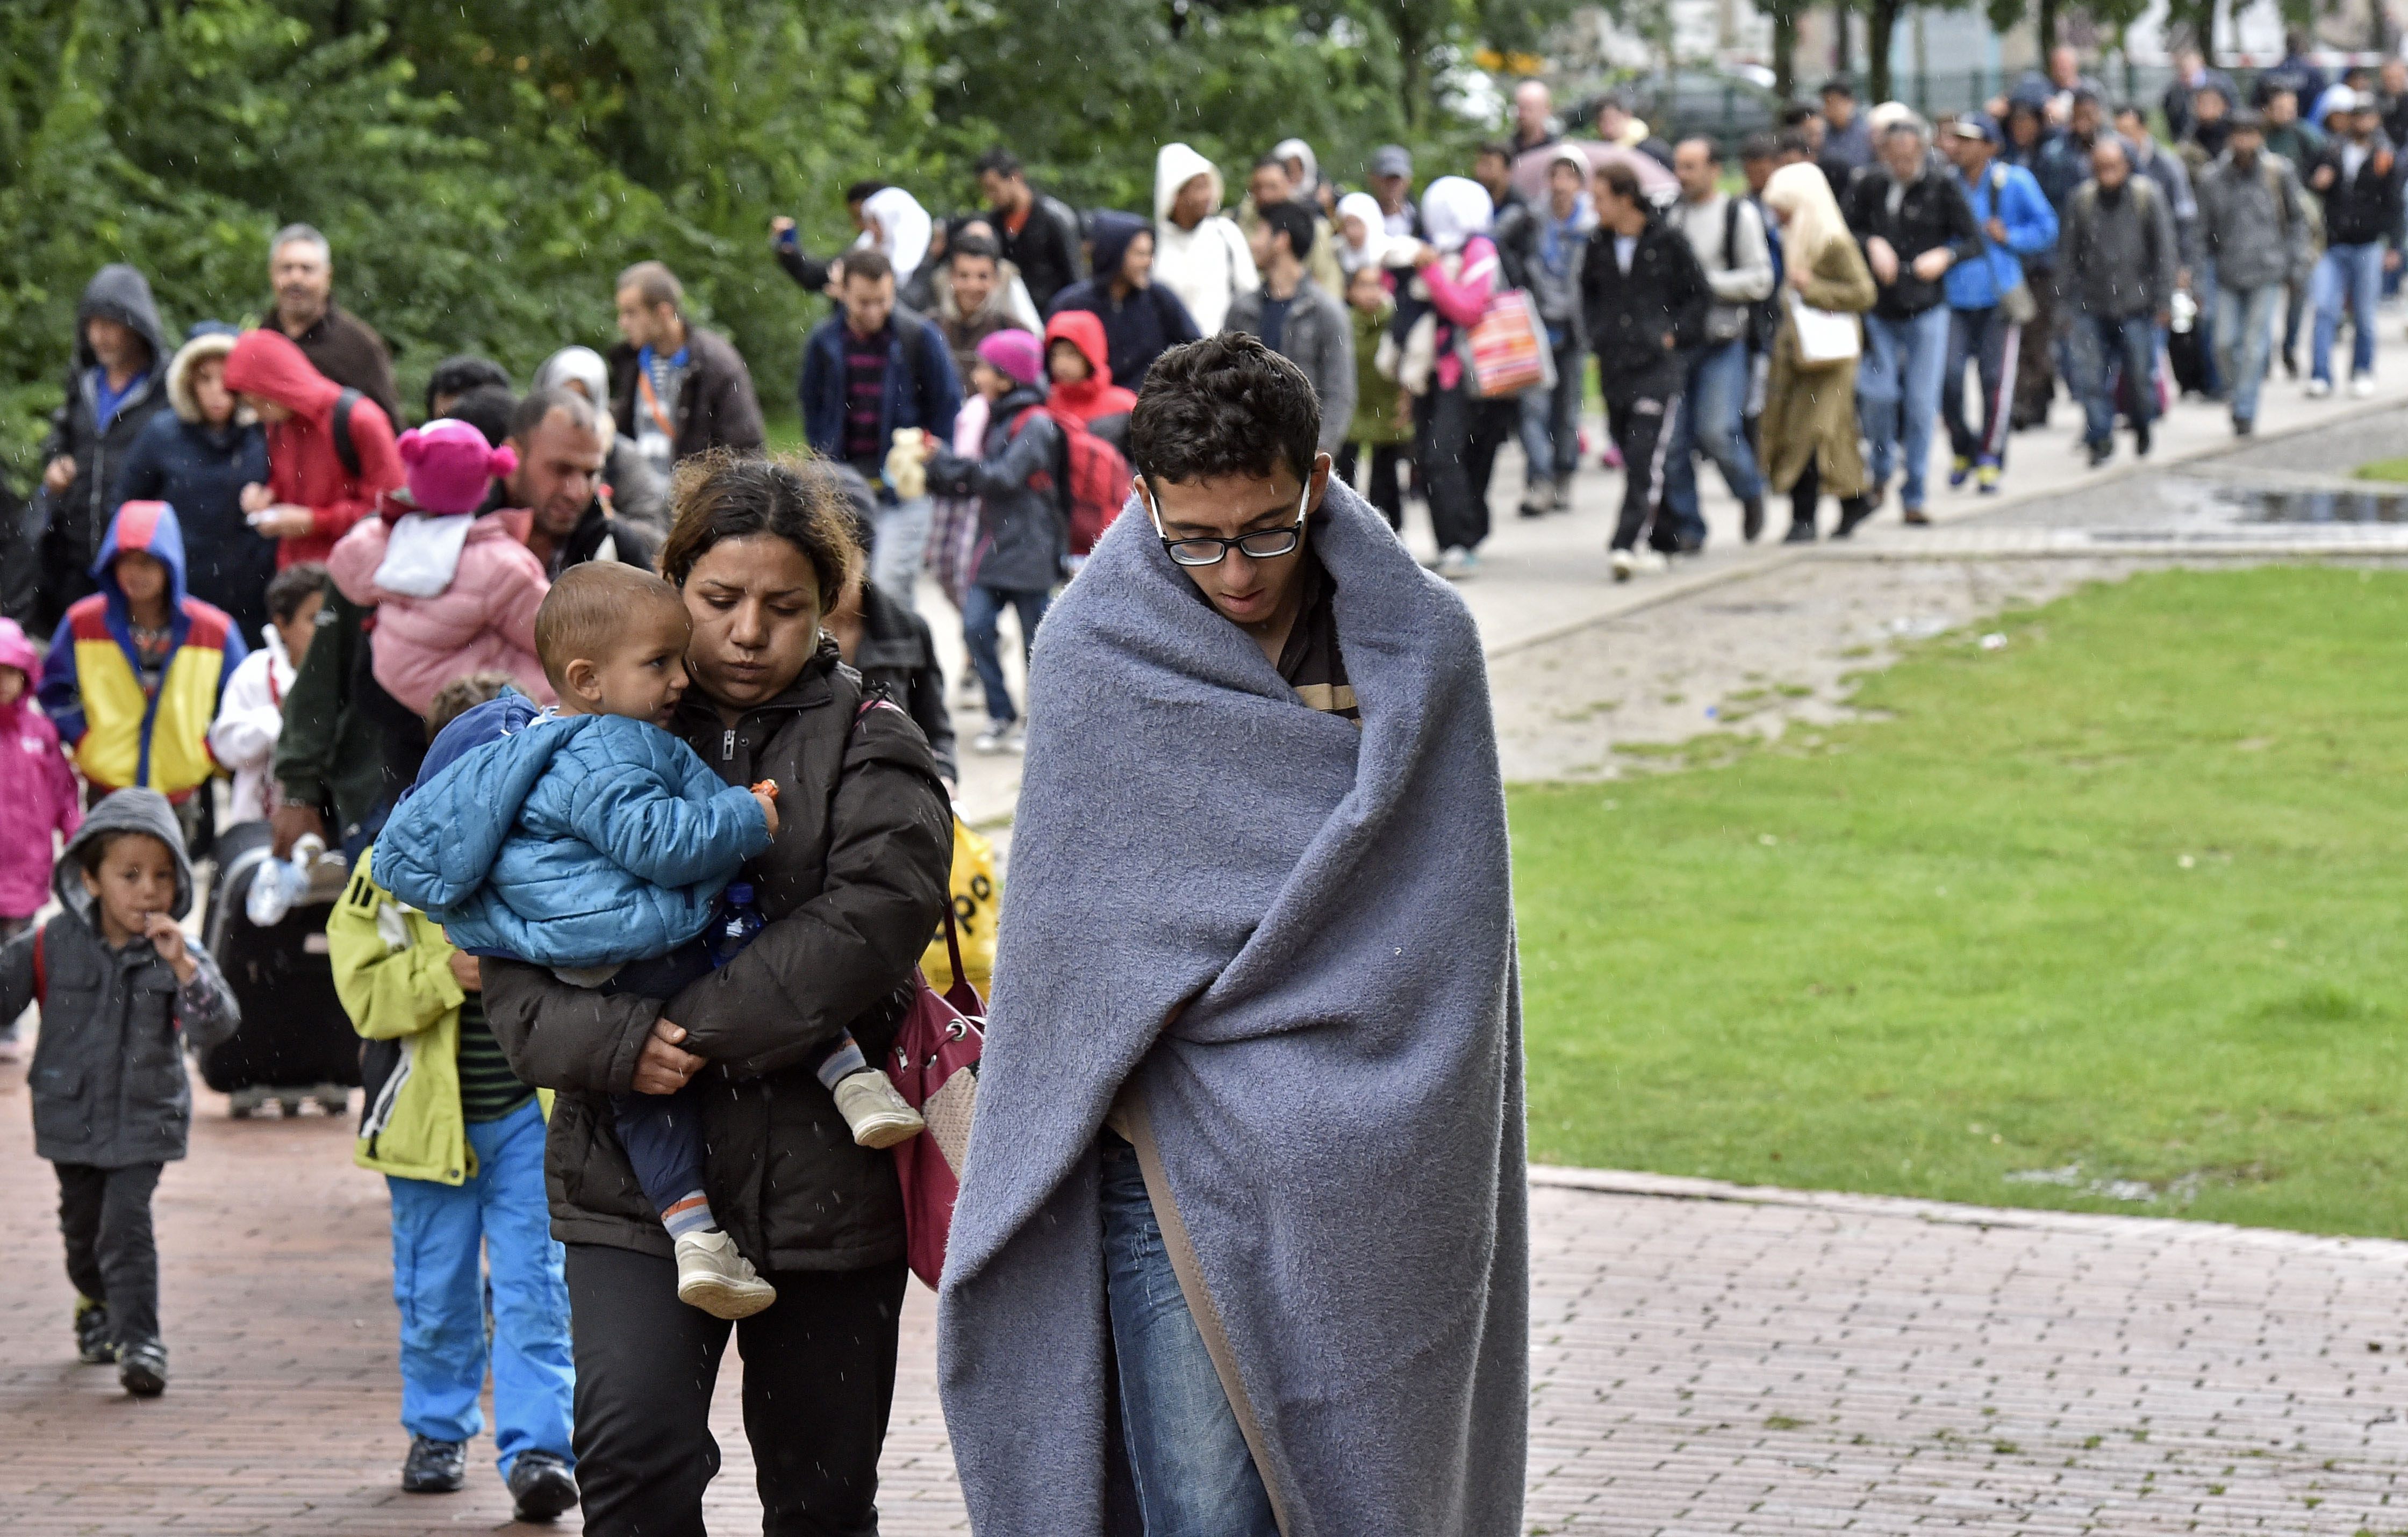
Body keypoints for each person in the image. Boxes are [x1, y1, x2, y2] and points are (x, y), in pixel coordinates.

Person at [938, 329, 1526, 1537]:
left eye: (1264, 528)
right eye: (1193, 536)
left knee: (1378, 1494)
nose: (1237, 571)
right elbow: (1077, 947)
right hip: (1167, 1157)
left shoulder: (1419, 648)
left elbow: (1445, 929)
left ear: (1316, 479)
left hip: (1376, 1165)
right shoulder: (1095, 653)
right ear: (1144, 497)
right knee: (1204, 1513)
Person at [474, 454, 951, 1537]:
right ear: (671, 583)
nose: (746, 631)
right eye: (718, 600)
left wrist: (681, 1028)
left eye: (782, 607)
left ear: (827, 605)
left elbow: (870, 922)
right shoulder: (580, 740)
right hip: (632, 1189)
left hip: (828, 1193)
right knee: (633, 1467)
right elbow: (512, 945)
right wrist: (612, 1041)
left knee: (821, 1497)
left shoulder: (873, 737)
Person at [327, 673, 578, 1521]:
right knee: (433, 1290)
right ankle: (438, 1427)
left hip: (526, 1120)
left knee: (537, 1289)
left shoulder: (552, 856)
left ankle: (542, 1448)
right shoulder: (384, 870)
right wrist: (447, 971)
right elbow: (365, 995)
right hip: (425, 1126)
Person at [0, 788, 240, 1398]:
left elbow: (219, 1025)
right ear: (92, 878)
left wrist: (186, 968)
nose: (148, 890)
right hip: (69, 1115)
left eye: (162, 875)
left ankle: (141, 1341)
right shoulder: (50, 944)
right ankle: (94, 1299)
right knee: (83, 1231)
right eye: (129, 875)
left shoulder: (179, 952)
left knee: (124, 1225)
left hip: (144, 1119)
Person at [326, 419, 551, 717]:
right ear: (488, 478)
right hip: (487, 713)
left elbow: (345, 562)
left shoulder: (388, 543)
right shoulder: (500, 565)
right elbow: (557, 639)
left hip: (403, 701)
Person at [39, 501, 246, 825]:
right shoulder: (83, 621)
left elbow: (240, 700)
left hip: (180, 790)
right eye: (126, 562)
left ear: (170, 566)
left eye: (148, 562)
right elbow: (54, 690)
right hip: (105, 788)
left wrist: (206, 750)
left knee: (172, 874)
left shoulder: (214, 630)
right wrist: (84, 739)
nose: (136, 574)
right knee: (109, 872)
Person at [923, 331, 1064, 753]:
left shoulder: (1035, 424)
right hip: (996, 546)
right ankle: (1000, 713)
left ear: (1007, 377)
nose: (978, 375)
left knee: (1034, 644)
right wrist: (940, 466)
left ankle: (1035, 721)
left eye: (985, 367)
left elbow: (1002, 478)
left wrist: (946, 462)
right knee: (975, 626)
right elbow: (982, 476)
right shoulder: (997, 416)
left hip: (1032, 549)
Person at [799, 249, 963, 604]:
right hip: (843, 483)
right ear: (842, 292)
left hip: (904, 487)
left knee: (889, 588)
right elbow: (811, 404)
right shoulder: (823, 342)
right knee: (841, 592)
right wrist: (822, 452)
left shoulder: (920, 337)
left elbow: (947, 404)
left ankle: (902, 658)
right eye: (863, 303)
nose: (873, 311)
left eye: (882, 301)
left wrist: (935, 453)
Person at [1843, 116, 1981, 525]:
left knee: (1922, 404)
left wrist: (1945, 256)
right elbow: (1846, 229)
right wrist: (1872, 243)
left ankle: (1915, 491)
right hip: (1880, 307)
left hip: (1927, 307)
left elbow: (1973, 240)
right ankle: (1882, 470)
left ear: (1922, 152)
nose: (1902, 164)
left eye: (1909, 156)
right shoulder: (1870, 185)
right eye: (1894, 156)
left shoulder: (1941, 186)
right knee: (1878, 393)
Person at [1583, 160, 1712, 579]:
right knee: (1631, 450)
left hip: (1657, 367)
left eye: (1600, 198)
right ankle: (1669, 534)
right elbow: (1589, 297)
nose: (1594, 206)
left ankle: (1626, 542)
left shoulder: (1667, 241)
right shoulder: (1597, 246)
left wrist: (1674, 333)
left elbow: (1699, 295)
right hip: (1616, 365)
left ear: (1625, 199)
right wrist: (1598, 335)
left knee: (1644, 455)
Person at [110, 325, 276, 640]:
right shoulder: (162, 434)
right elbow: (125, 509)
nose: (217, 390)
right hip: (180, 594)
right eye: (205, 378)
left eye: (226, 378)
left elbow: (293, 492)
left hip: (251, 596)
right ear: (188, 382)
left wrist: (272, 497)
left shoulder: (263, 434)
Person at [34, 265, 172, 634]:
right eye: (93, 325)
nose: (100, 336)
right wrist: (55, 461)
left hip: (139, 557)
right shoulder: (84, 383)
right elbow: (60, 434)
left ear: (137, 326)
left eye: (111, 325)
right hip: (74, 552)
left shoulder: (167, 391)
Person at [1759, 163, 1879, 541]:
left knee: (1813, 432)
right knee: (1820, 431)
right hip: (1800, 351)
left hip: (1831, 354)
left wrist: (1813, 288)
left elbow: (1863, 294)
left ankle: (1804, 515)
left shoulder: (1833, 242)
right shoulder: (1795, 237)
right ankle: (1854, 498)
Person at [220, 326, 406, 569]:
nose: (257, 412)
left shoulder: (360, 419)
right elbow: (286, 479)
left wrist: (315, 522)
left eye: (260, 401)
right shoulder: (279, 423)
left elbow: (390, 508)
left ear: (279, 385)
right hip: (295, 576)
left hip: (352, 576)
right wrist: (269, 495)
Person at [1665, 137, 1774, 544]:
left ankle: (1750, 491)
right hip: (1679, 343)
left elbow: (1761, 279)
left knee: (1716, 431)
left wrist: (1706, 285)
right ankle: (1690, 526)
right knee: (1674, 443)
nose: (1683, 175)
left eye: (1691, 166)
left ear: (1714, 169)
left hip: (1724, 340)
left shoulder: (1737, 215)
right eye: (1679, 166)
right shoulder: (1670, 217)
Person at [1941, 119, 2056, 493]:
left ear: (1990, 147)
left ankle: (1990, 456)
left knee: (1995, 381)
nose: (1958, 146)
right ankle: (1962, 447)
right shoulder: (1945, 184)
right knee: (1949, 378)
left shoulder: (2013, 181)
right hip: (1952, 298)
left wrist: (2011, 237)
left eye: (1968, 140)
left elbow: (2047, 226)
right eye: (1955, 139)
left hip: (1998, 297)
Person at [1409, 176, 1513, 578]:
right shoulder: (1434, 248)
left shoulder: (1479, 249)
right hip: (1432, 373)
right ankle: (1455, 540)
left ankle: (1461, 539)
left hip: (1467, 376)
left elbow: (1468, 309)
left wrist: (1433, 273)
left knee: (1445, 455)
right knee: (1436, 457)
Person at [2062, 137, 2177, 465]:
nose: (2107, 173)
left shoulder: (2146, 197)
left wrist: (2163, 301)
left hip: (2136, 304)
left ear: (2127, 165)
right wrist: (2064, 305)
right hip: (2091, 303)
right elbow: (2068, 256)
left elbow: (2164, 252)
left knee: (2140, 376)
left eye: (2113, 166)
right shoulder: (2081, 202)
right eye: (2100, 167)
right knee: (2090, 377)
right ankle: (2100, 438)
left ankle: (2142, 424)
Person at [2198, 109, 2313, 434]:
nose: (2244, 141)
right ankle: (2237, 392)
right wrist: (2195, 274)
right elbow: (2200, 232)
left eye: (2250, 133)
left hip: (2267, 269)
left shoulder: (2279, 172)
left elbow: (2297, 221)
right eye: (2238, 134)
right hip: (2226, 271)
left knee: (2253, 345)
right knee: (2223, 342)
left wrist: (2296, 262)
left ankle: (2245, 409)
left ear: (2259, 137)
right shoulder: (2212, 178)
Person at [1496, 145, 1593, 516]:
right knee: (1532, 410)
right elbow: (1494, 238)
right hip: (1534, 326)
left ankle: (1565, 473)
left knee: (1568, 410)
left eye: (1570, 176)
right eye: (1555, 175)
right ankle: (1540, 478)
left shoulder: (1592, 226)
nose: (1561, 184)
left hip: (1574, 328)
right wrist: (1517, 282)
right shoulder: (1532, 220)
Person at [0, 616, 81, 1050]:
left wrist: (75, 833)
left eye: (8, 673)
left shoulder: (41, 734)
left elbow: (63, 792)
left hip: (26, 868)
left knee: (17, 952)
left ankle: (8, 1018)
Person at [607, 261, 767, 478]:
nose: (623, 323)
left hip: (692, 502)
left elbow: (746, 449)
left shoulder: (716, 362)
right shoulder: (629, 361)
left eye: (631, 313)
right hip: (640, 503)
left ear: (663, 312)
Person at [1227, 201, 1355, 458]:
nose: (1253, 243)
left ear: (1281, 240)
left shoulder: (1325, 312)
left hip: (1302, 455)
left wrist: (1321, 451)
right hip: (1248, 456)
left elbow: (1340, 390)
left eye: (1260, 232)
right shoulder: (1242, 309)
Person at [206, 562, 325, 829]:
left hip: (323, 823)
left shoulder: (344, 676)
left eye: (328, 620)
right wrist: (279, 718)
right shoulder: (255, 671)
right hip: (256, 824)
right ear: (282, 624)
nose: (323, 631)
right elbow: (226, 751)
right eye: (313, 619)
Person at [256, 224, 402, 426]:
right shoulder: (259, 343)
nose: (296, 278)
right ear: (272, 273)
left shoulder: (359, 346)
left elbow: (387, 428)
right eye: (286, 268)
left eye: (307, 269)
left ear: (328, 276)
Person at [2303, 91, 2399, 397]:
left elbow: (2394, 203)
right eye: (2357, 116)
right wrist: (2318, 182)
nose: (2362, 123)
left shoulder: (2385, 155)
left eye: (2368, 117)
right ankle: (2320, 374)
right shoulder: (2332, 149)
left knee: (2365, 314)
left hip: (2368, 244)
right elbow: (2308, 182)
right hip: (2334, 243)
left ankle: (2362, 370)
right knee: (2324, 308)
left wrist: (2394, 245)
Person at [1045, 211, 1203, 390]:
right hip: (1085, 409)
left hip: (1147, 405)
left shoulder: (1159, 298)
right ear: (1114, 254)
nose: (1148, 262)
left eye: (1150, 253)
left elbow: (1197, 349)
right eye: (1139, 254)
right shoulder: (1071, 305)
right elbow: (1048, 366)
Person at [529, 346, 667, 530]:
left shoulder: (621, 458)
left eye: (590, 473)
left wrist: (601, 519)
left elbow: (654, 532)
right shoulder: (528, 447)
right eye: (563, 398)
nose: (575, 409)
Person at [1153, 142, 1260, 335]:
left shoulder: (1226, 234)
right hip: (1175, 360)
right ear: (1176, 195)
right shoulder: (1154, 245)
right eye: (1199, 188)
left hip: (1225, 355)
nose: (1207, 195)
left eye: (1208, 186)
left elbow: (1250, 296)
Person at [1337, 263, 1411, 529]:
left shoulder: (1395, 320)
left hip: (1386, 408)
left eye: (1376, 285)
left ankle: (1393, 533)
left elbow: (1408, 362)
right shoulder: (1342, 322)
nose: (1371, 292)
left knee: (1386, 480)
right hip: (1352, 410)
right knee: (1344, 477)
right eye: (1363, 285)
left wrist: (1406, 400)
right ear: (1350, 290)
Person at [975, 148, 1084, 312]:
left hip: (1051, 315)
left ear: (1015, 177)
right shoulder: (993, 223)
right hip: (1011, 319)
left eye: (994, 188)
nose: (990, 196)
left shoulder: (1055, 218)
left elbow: (1074, 278)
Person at [1241, 153, 1349, 295]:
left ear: (1289, 183)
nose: (1265, 195)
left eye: (1272, 186)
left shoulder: (1315, 227)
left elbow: (1328, 280)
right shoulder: (1238, 223)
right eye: (1258, 187)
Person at [930, 232, 1030, 382]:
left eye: (983, 277)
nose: (973, 286)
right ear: (951, 277)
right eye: (964, 276)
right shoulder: (930, 327)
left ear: (997, 279)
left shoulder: (1013, 332)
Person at [1043, 310, 1137, 439]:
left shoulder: (1124, 405)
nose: (1061, 364)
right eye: (1055, 355)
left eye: (1071, 354)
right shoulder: (1046, 402)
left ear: (1092, 353)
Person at [2163, 45, 2239, 146]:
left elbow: (2235, 108)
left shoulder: (2221, 82)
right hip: (2191, 140)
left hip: (2221, 137)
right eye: (2182, 65)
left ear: (2200, 61)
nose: (2186, 68)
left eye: (2190, 63)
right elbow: (2171, 115)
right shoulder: (2175, 89)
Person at [1367, 144, 1422, 238]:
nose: (1392, 185)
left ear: (1408, 180)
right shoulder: (1361, 221)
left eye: (1397, 179)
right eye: (1386, 179)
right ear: (1372, 178)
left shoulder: (1421, 222)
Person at [1821, 78, 1874, 170]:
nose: (1829, 109)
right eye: (1826, 104)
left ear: (1850, 102)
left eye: (1834, 103)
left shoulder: (1867, 133)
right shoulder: (1823, 133)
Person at [1513, 78, 1559, 154]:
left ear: (1546, 109)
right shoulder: (1508, 150)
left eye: (1528, 109)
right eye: (1519, 108)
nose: (1521, 115)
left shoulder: (1555, 150)